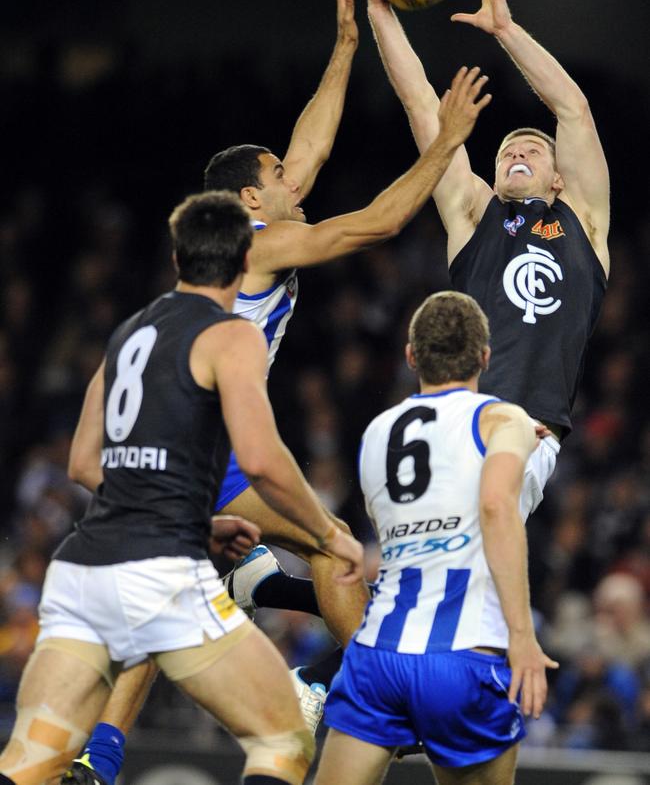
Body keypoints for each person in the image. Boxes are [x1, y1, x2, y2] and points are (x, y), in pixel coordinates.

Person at [59, 58, 492, 785]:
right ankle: (372, 699)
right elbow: (380, 222)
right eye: (280, 176)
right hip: (212, 453)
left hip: (157, 461)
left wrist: (345, 48)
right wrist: (447, 140)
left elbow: (308, 152)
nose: (298, 179)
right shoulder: (261, 244)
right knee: (335, 551)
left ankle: (97, 758)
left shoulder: (161, 308)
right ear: (251, 198)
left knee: (176, 602)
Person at [0, 191, 367, 785]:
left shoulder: (128, 334)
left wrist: (190, 521)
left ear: (178, 260)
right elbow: (261, 458)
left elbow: (81, 463)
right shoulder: (230, 336)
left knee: (30, 761)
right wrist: (330, 533)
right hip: (158, 570)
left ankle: (101, 765)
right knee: (283, 738)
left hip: (83, 569)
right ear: (243, 258)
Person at [352, 0, 609, 442]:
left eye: (533, 149)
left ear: (560, 179)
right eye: (507, 152)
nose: (517, 151)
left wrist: (506, 30)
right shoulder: (473, 212)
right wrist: (380, 12)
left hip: (532, 431)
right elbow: (423, 106)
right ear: (491, 177)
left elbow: (573, 111)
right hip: (461, 424)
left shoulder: (583, 219)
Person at [314, 290, 560, 785]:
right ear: (485, 358)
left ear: (411, 356)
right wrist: (521, 636)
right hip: (465, 656)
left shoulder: (376, 433)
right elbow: (495, 506)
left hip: (379, 654)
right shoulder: (503, 418)